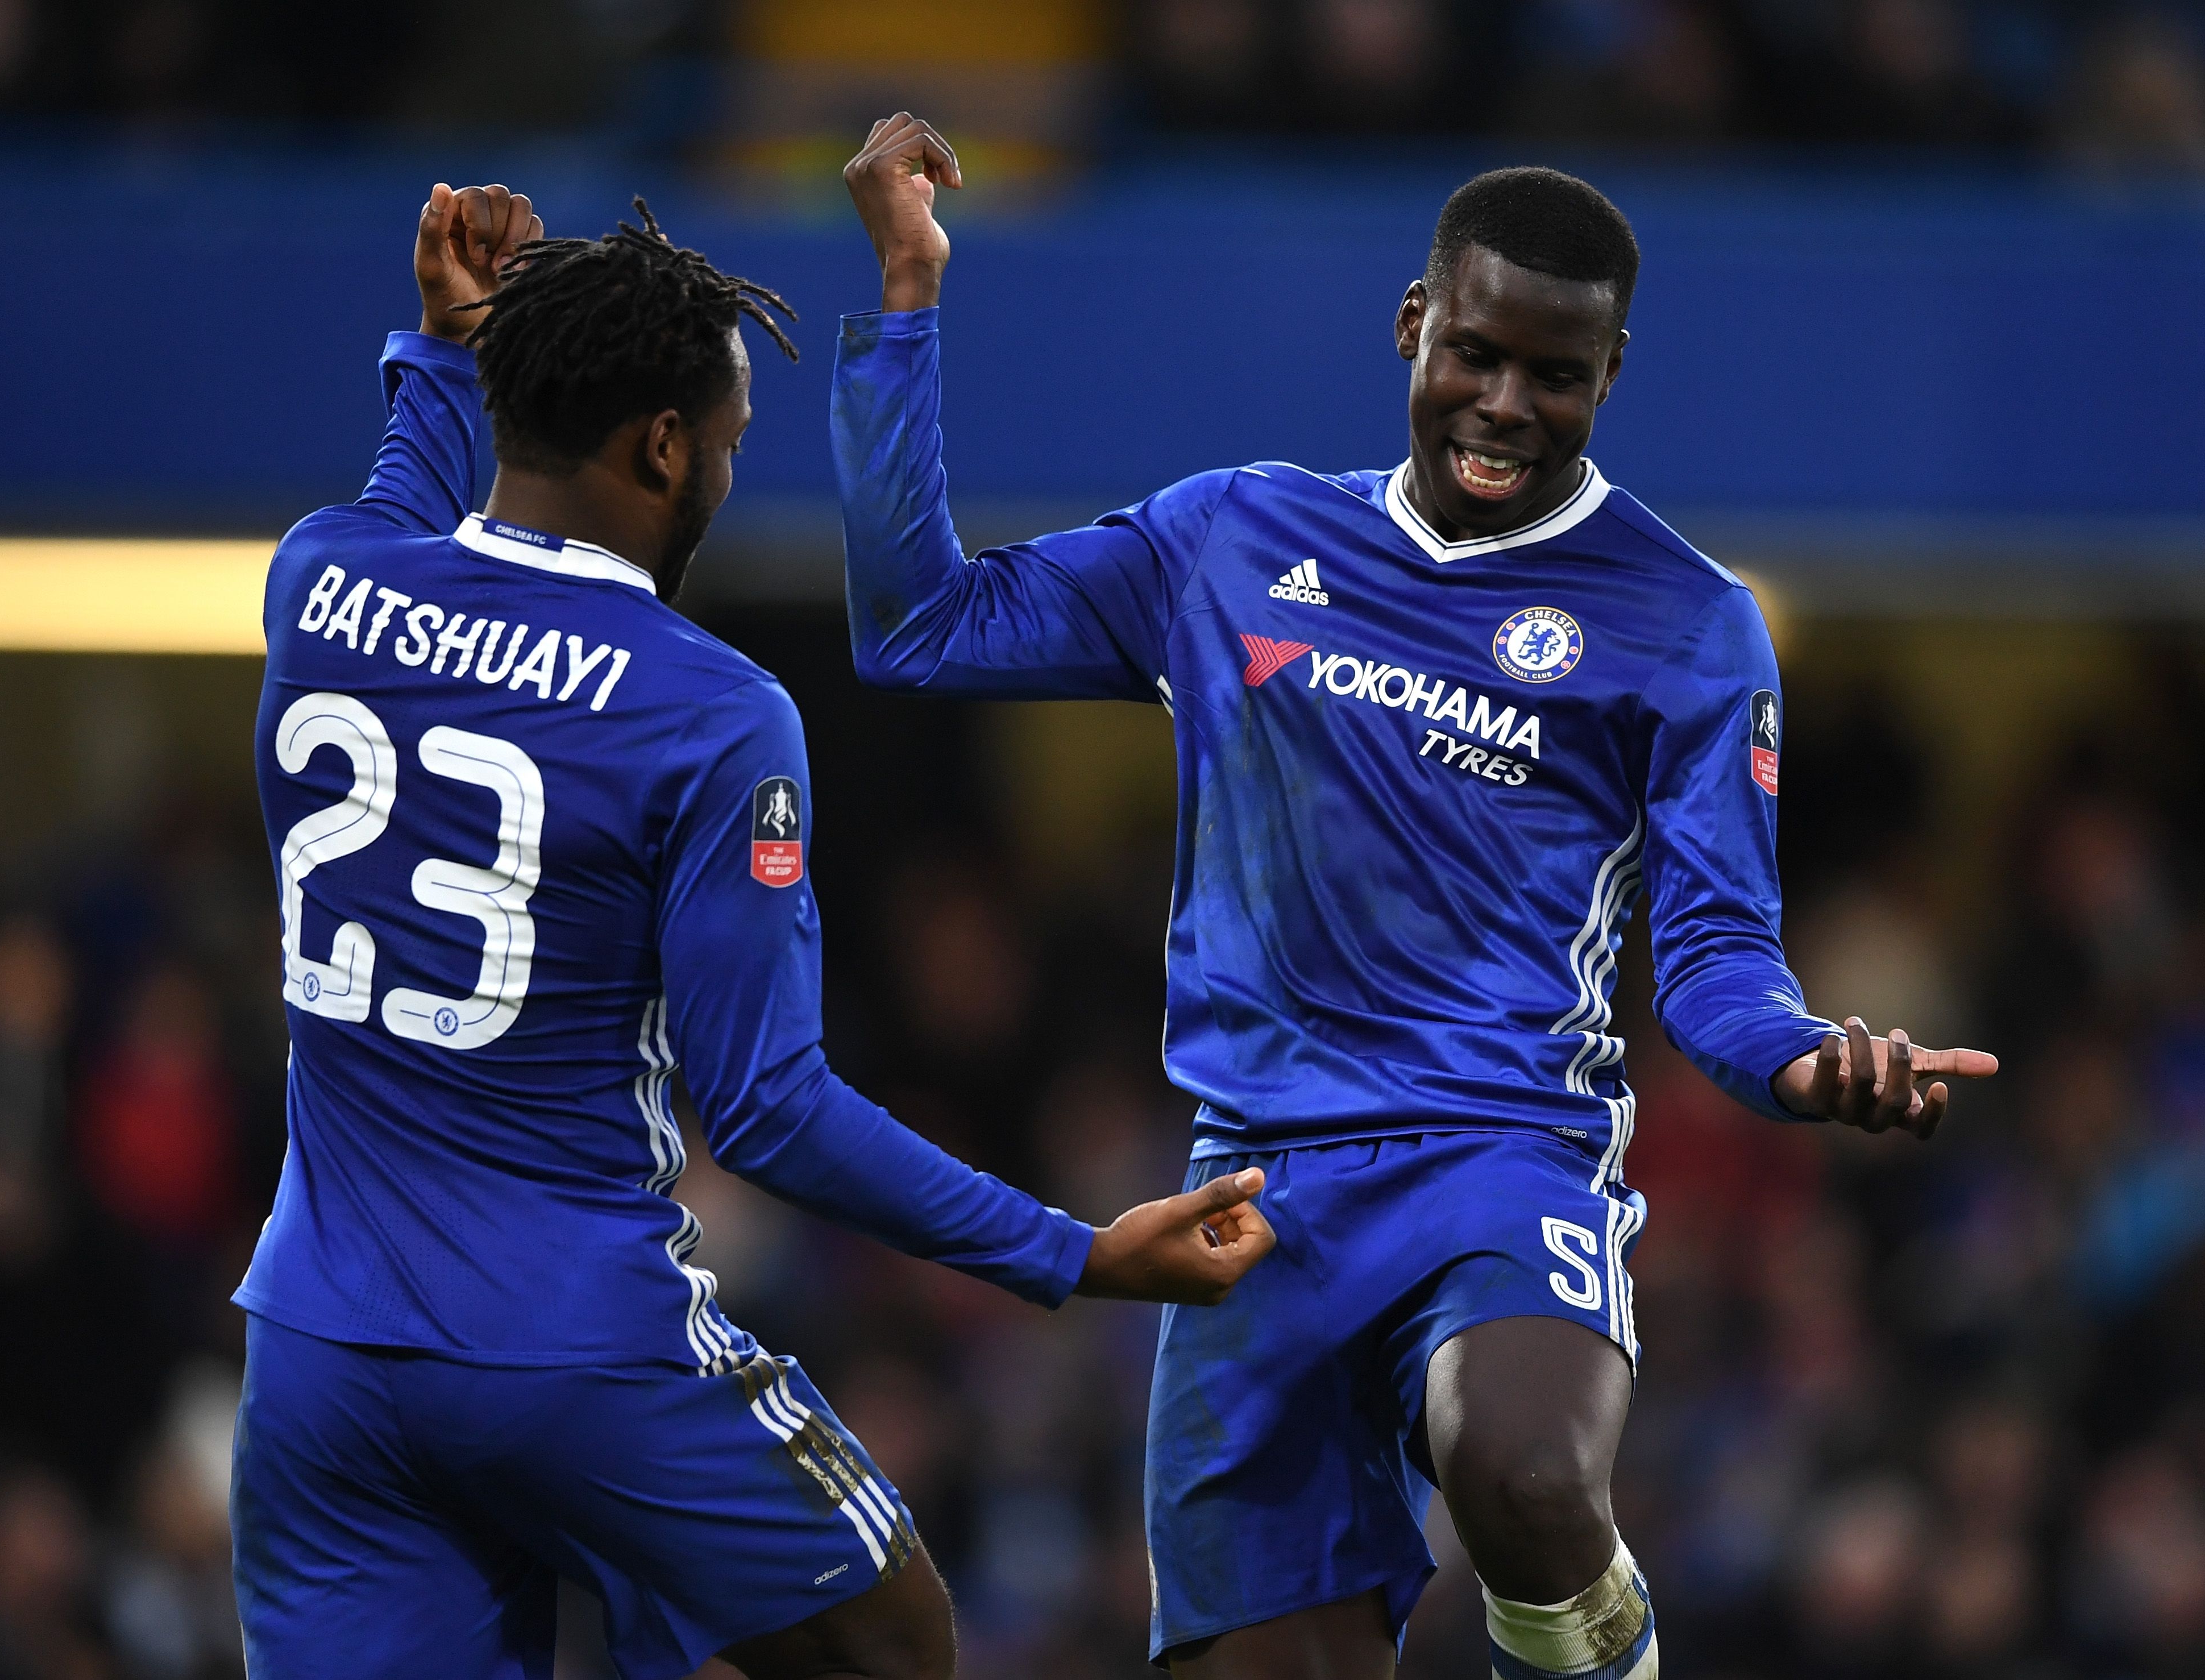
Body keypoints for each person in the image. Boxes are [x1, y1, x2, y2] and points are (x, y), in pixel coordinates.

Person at [833, 117, 1999, 1680]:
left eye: (1559, 374)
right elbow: (923, 624)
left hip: (1497, 1151)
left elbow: (1716, 952)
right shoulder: (1234, 539)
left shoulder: (1688, 623)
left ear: (1610, 375)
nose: (1508, 403)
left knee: (1524, 1474)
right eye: (1477, 352)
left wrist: (1800, 1060)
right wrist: (907, 305)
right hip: (1253, 1193)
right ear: (1412, 325)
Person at [231, 182, 1276, 1680]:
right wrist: (1077, 1252)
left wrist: (447, 340)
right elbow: (769, 1110)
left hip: (322, 1349)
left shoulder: (323, 578)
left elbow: (415, 484)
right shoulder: (706, 708)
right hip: (579, 1350)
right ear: (665, 445)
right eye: (724, 441)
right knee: (895, 1635)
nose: (723, 471)